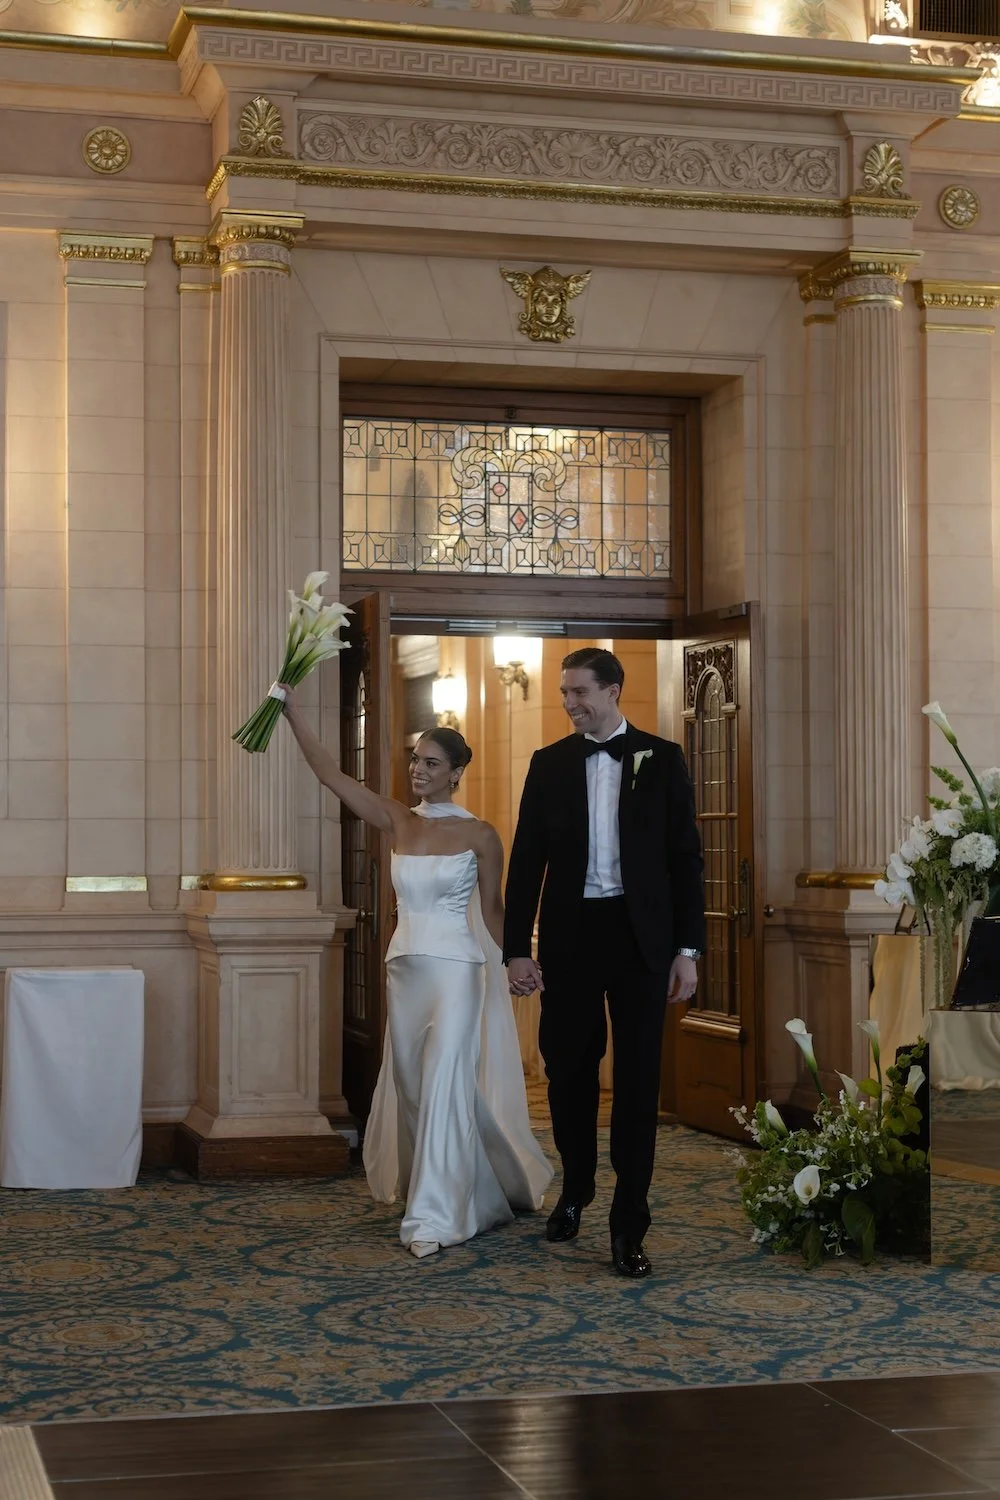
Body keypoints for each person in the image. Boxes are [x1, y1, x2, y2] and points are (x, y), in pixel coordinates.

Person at [279, 684, 552, 1259]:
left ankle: (435, 1214)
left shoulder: (480, 835)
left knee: (448, 1078)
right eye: (415, 760)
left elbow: (494, 910)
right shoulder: (400, 821)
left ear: (456, 773)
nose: (417, 770)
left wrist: (519, 961)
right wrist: (293, 711)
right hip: (405, 970)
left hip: (458, 970)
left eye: (431, 763)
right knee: (411, 1084)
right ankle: (478, 1180)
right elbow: (331, 775)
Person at [504, 647, 705, 1279]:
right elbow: (525, 862)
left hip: (642, 939)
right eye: (565, 693)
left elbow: (686, 862)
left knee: (639, 1084)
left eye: (579, 692)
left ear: (613, 690)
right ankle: (576, 1188)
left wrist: (688, 950)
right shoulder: (549, 764)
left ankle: (629, 1224)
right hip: (570, 938)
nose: (569, 703)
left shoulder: (662, 758)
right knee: (567, 1076)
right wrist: (516, 947)